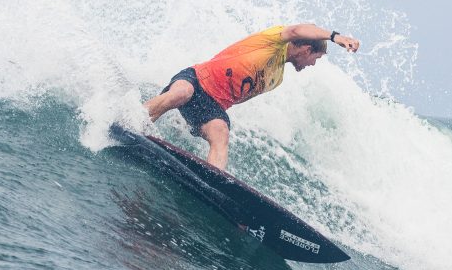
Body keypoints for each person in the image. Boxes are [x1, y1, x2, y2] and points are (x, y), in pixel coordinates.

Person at [143, 24, 361, 170]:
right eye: (316, 57)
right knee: (182, 93)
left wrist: (203, 120)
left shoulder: (276, 79)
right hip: (197, 78)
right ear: (306, 48)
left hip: (211, 105)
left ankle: (210, 181)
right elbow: (296, 30)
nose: (313, 64)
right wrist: (335, 37)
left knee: (221, 133)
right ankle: (134, 118)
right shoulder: (272, 41)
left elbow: (233, 99)